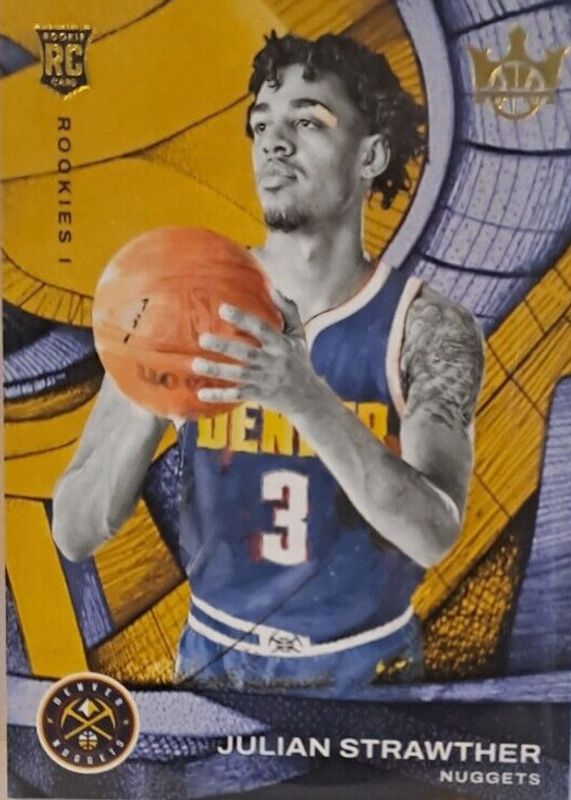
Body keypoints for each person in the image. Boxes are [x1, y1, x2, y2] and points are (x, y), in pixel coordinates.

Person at [53, 32, 484, 698]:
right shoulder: (180, 293)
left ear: (369, 155)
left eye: (307, 122)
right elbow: (75, 532)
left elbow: (431, 534)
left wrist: (305, 400)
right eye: (261, 125)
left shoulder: (425, 327)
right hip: (215, 659)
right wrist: (151, 387)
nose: (273, 144)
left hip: (367, 669)